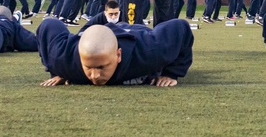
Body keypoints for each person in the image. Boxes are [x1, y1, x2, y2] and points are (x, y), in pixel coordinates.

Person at [37, 17, 194, 86]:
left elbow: (180, 27)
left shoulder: (150, 50)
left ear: (118, 55)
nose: (95, 76)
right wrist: (56, 70)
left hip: (134, 32)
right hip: (91, 34)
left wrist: (172, 73)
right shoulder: (62, 59)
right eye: (88, 68)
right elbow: (48, 25)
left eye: (101, 67)